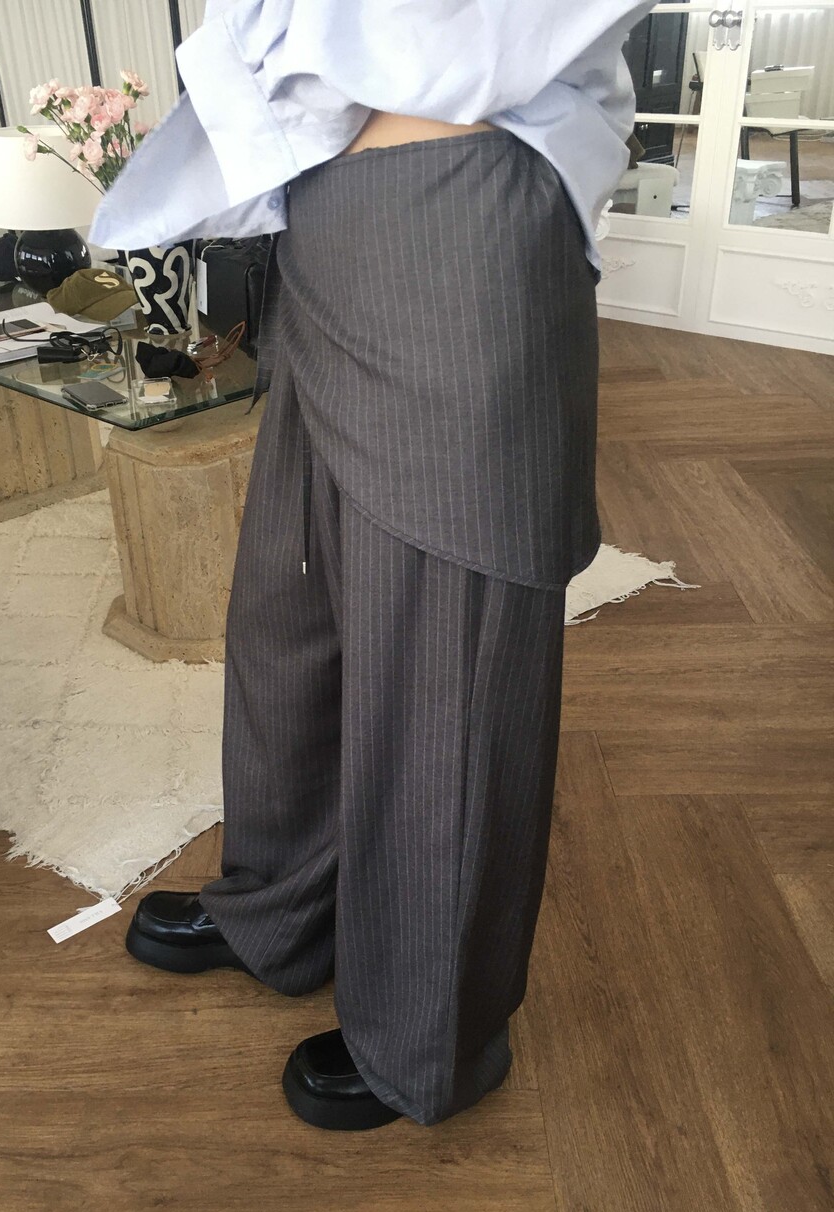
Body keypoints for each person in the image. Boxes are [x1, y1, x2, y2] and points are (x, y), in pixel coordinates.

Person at [91, 0, 656, 1132]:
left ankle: (428, 1024)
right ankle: (284, 908)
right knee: (288, 620)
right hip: (321, 206)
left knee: (442, 656)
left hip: (459, 198)